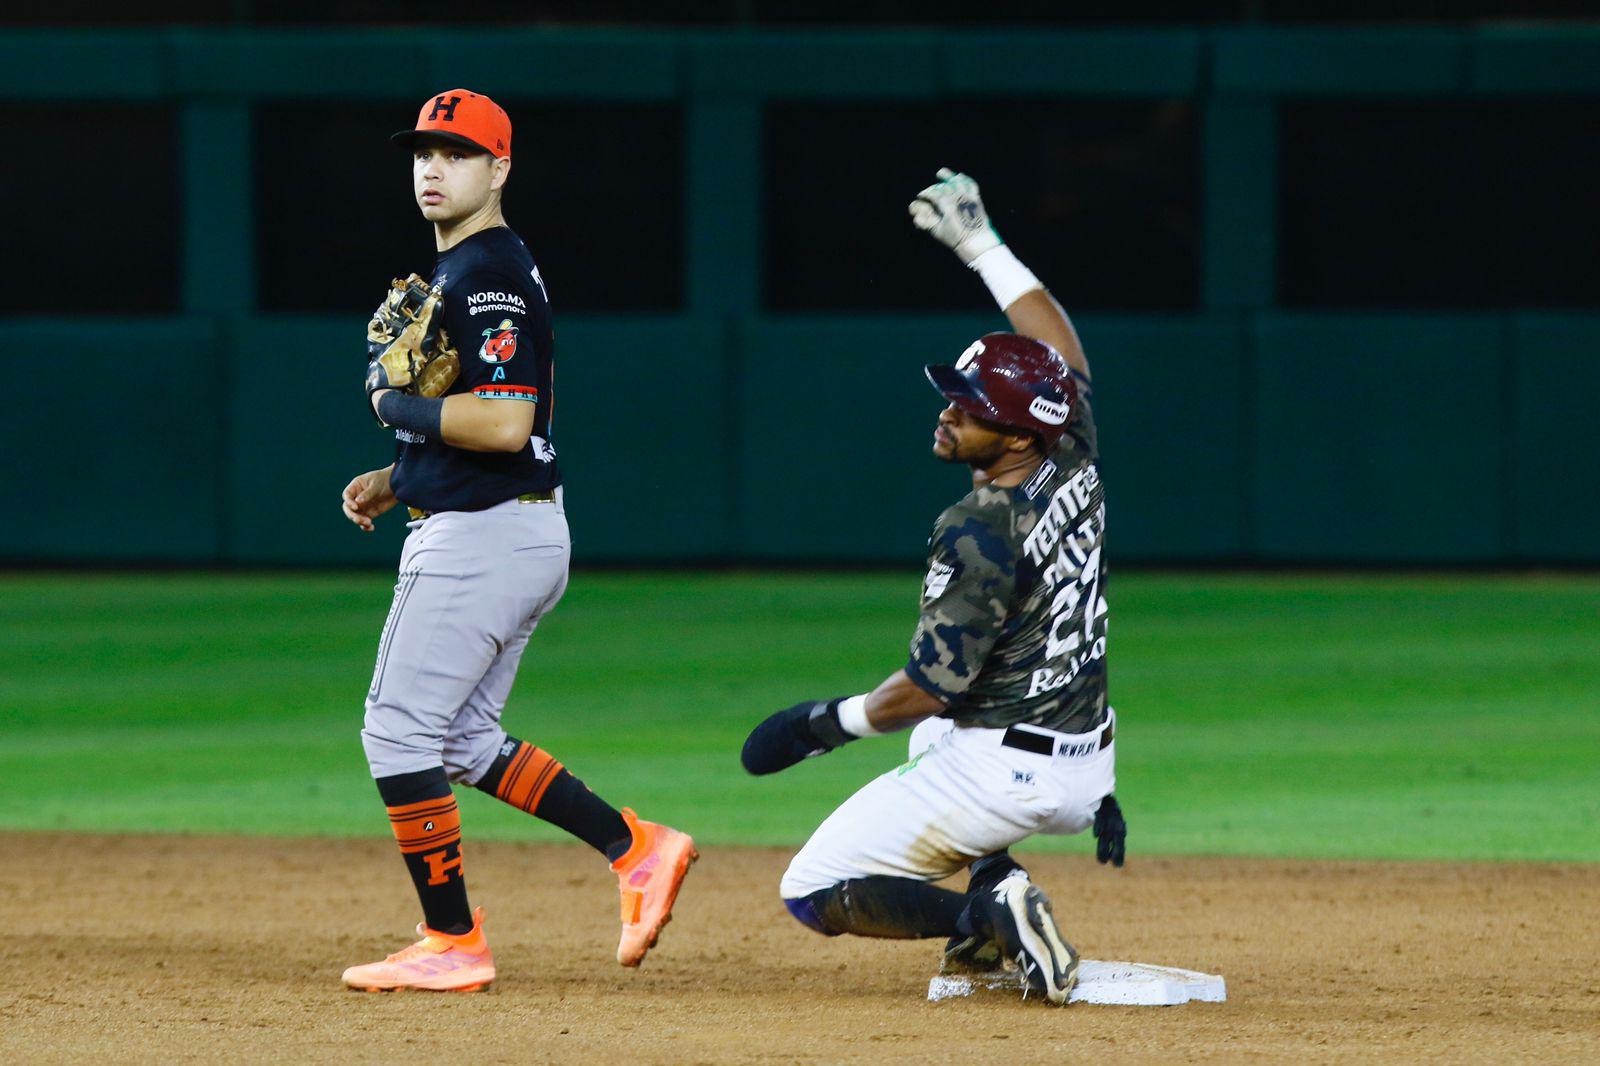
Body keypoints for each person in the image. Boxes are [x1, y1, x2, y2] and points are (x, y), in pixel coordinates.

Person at [741, 169, 1127, 1005]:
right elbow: (1062, 353)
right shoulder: (1070, 448)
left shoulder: (980, 527)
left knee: (810, 889)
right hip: (1086, 755)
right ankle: (998, 887)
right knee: (931, 741)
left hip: (1007, 772)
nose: (949, 410)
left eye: (971, 405)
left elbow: (926, 687)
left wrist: (821, 726)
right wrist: (982, 246)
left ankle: (987, 913)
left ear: (1016, 435)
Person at [338, 89, 695, 993]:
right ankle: (637, 849)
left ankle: (452, 939)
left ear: (499, 169)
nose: (433, 168)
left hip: (481, 540)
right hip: (509, 528)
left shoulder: (485, 273)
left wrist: (392, 405)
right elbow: (497, 429)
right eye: (423, 152)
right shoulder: (476, 267)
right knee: (461, 739)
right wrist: (400, 474)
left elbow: (503, 424)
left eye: (457, 153)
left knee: (397, 733)